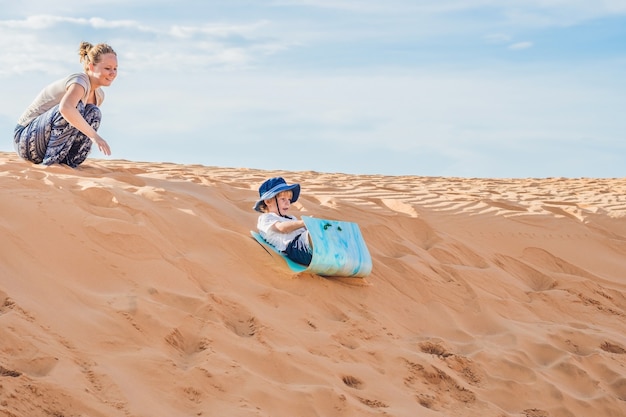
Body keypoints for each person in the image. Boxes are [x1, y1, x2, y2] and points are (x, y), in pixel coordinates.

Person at [13, 41, 117, 168]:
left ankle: (69, 165)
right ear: (91, 67)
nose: (113, 73)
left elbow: (79, 128)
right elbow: (65, 108)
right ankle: (51, 163)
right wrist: (95, 137)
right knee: (74, 108)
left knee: (94, 112)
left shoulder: (99, 95)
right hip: (25, 140)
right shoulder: (79, 81)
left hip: (48, 145)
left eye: (115, 68)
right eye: (107, 68)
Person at [254, 177, 313, 266]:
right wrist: (303, 222)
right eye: (283, 199)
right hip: (294, 248)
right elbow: (282, 228)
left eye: (289, 199)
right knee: (312, 235)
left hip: (303, 242)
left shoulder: (291, 218)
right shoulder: (266, 218)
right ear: (268, 201)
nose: (288, 203)